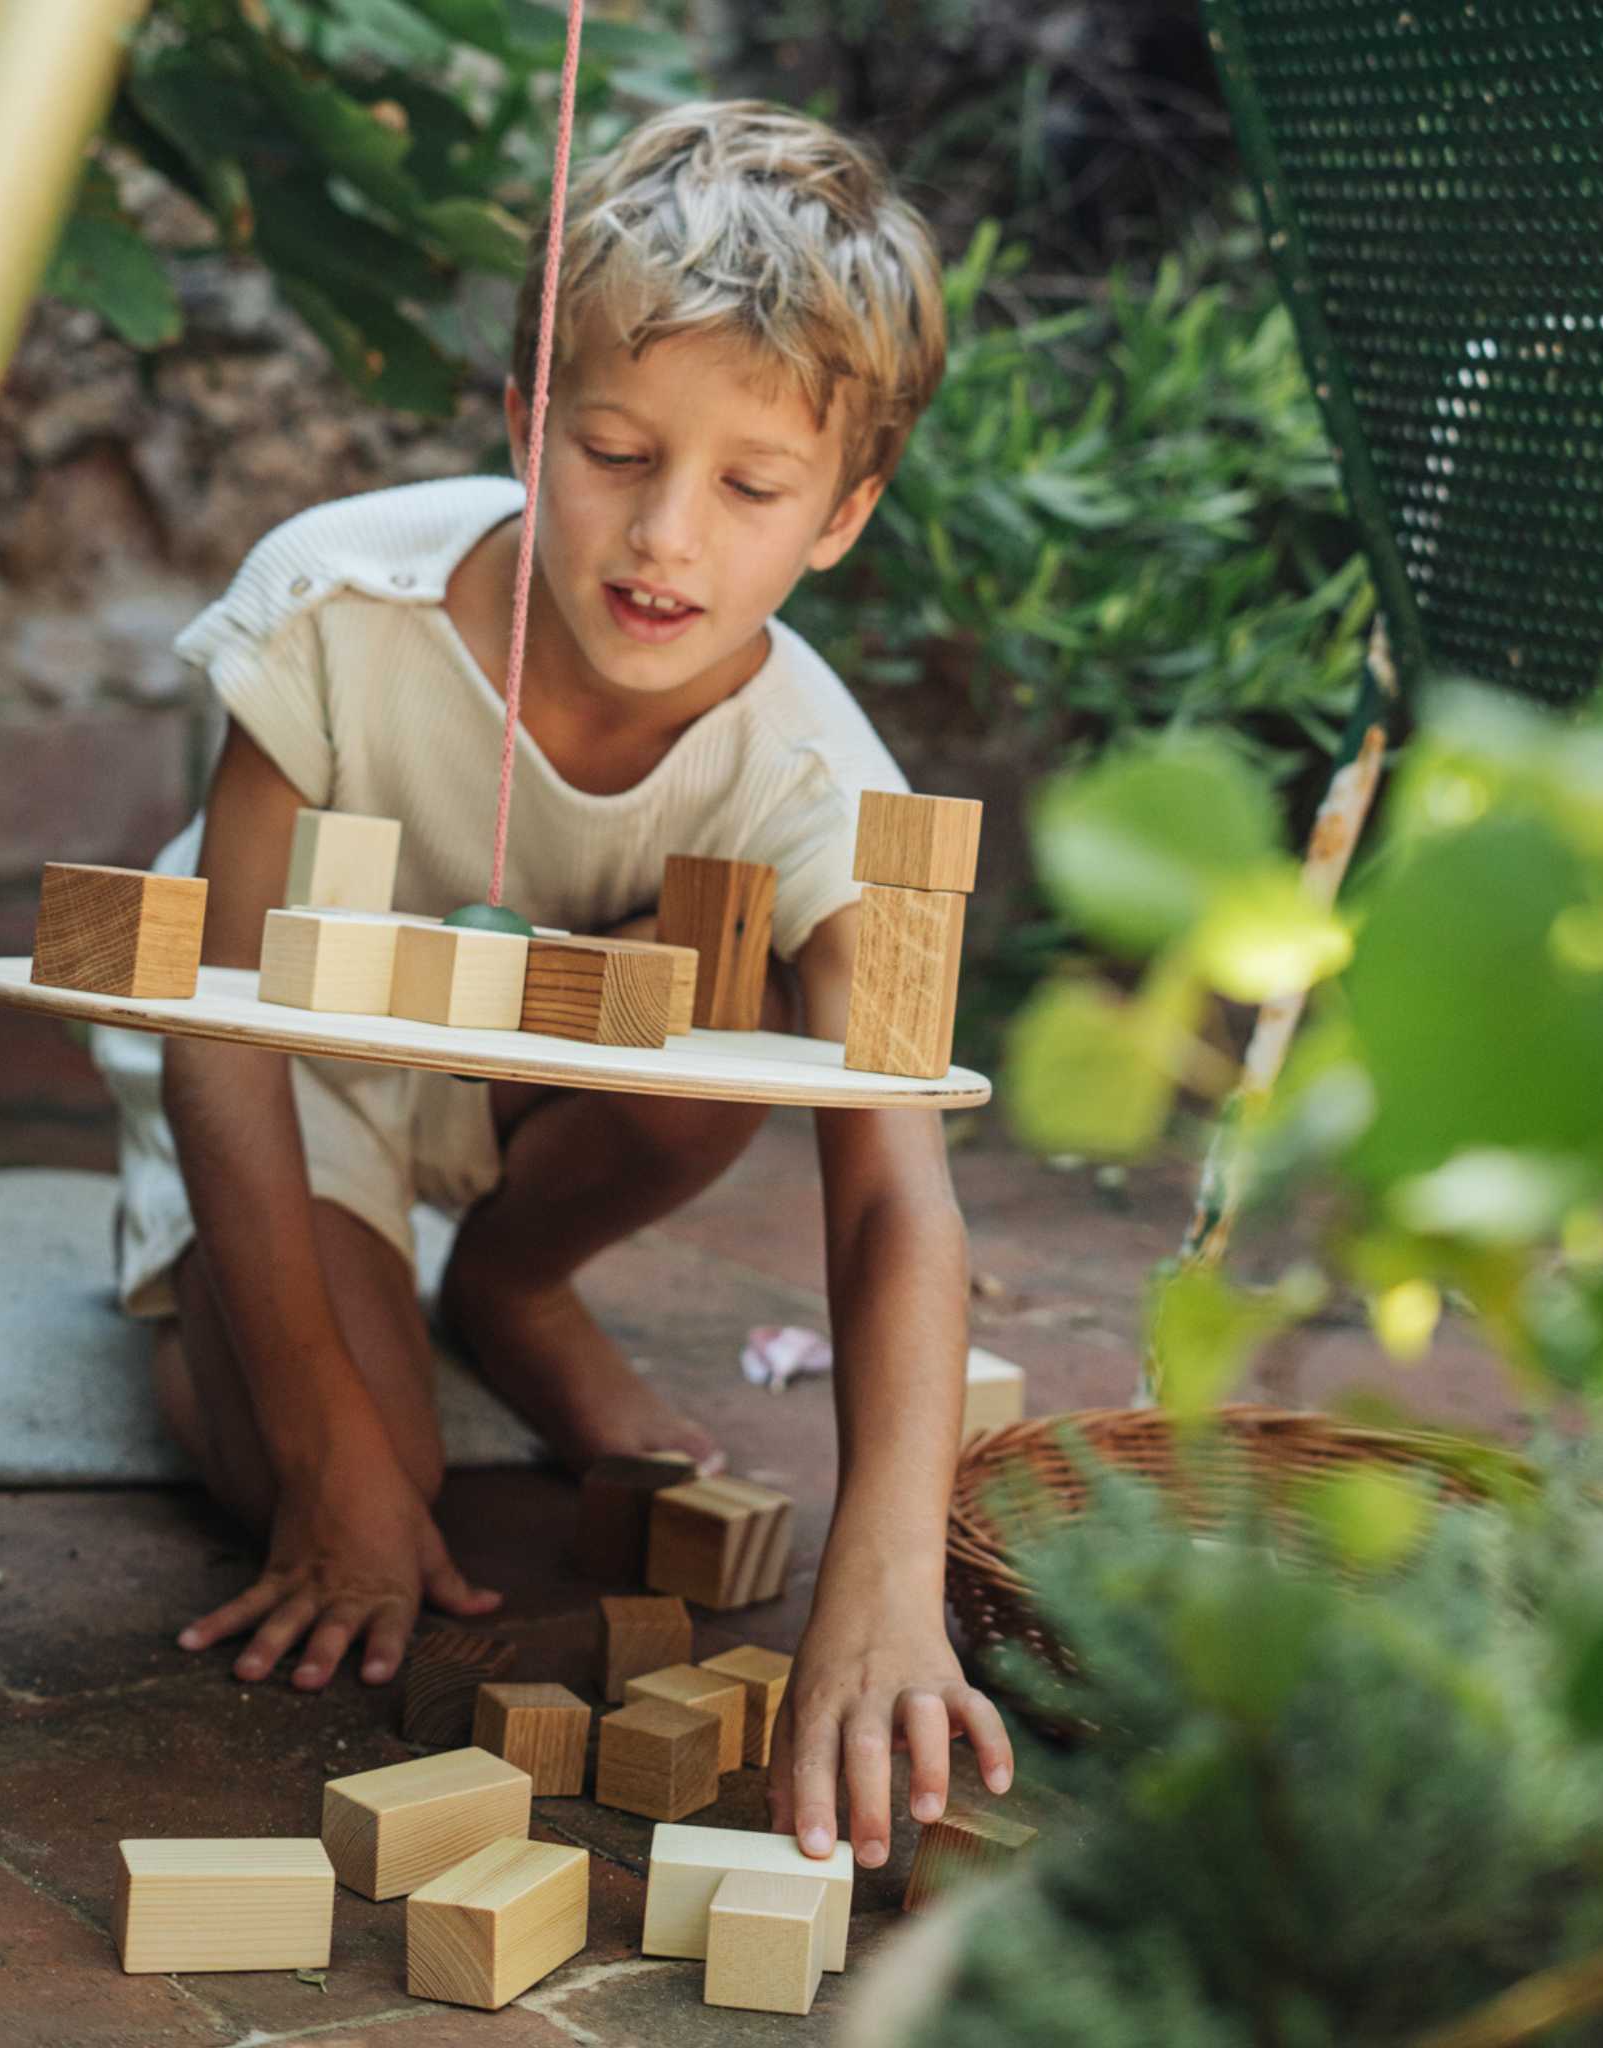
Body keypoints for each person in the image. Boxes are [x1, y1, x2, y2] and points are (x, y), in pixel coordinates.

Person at [92, 98, 1011, 1870]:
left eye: (750, 488)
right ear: (531, 419)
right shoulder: (332, 613)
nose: (665, 535)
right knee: (325, 1486)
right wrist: (329, 1444)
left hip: (557, 1069)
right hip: (302, 1074)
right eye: (610, 447)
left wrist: (879, 1579)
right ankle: (342, 1346)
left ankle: (508, 1286)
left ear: (843, 514)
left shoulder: (831, 786)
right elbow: (215, 1039)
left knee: (726, 1041)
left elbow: (898, 1183)